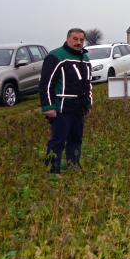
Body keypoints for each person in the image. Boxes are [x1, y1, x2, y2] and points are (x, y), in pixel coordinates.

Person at [39, 28, 93, 173]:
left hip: (79, 107)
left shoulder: (85, 59)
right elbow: (46, 84)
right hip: (61, 107)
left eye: (81, 40)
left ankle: (73, 165)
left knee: (76, 139)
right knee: (58, 141)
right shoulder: (56, 56)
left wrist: (88, 104)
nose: (78, 42)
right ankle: (52, 170)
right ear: (68, 39)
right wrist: (48, 106)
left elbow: (88, 84)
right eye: (75, 39)